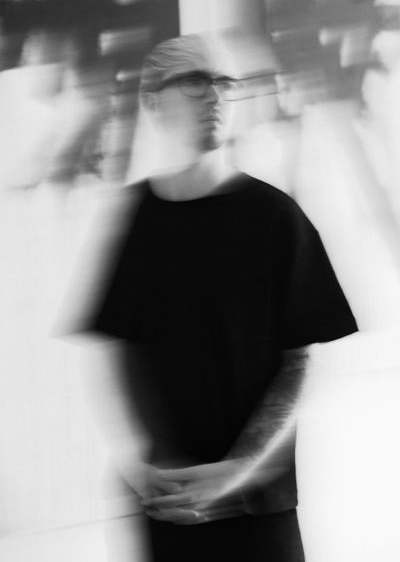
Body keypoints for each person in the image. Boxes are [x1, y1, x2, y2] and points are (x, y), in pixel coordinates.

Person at [79, 33, 358, 562]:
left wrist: (236, 470)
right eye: (194, 81)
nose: (214, 96)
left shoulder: (276, 217)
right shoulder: (136, 216)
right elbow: (122, 349)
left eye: (226, 83)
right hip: (167, 502)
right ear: (153, 101)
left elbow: (298, 362)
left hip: (257, 507)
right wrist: (146, 460)